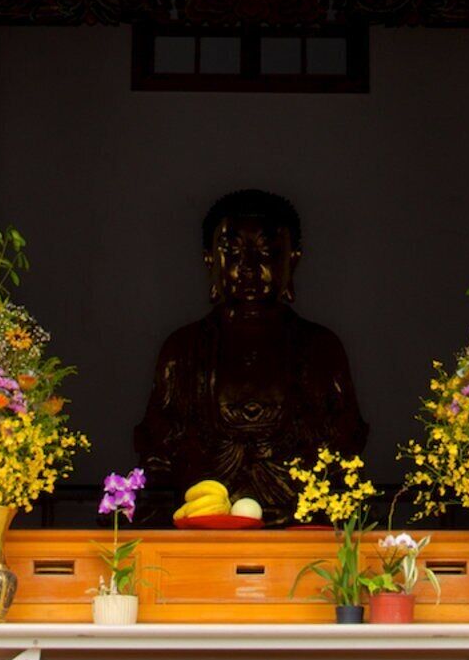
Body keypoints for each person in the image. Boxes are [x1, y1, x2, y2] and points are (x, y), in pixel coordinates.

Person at [133, 189, 366, 521]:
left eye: (267, 252)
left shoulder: (321, 349)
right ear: (210, 259)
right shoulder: (182, 351)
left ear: (293, 259)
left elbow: (344, 449)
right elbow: (159, 455)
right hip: (204, 535)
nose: (249, 269)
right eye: (233, 253)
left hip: (301, 538)